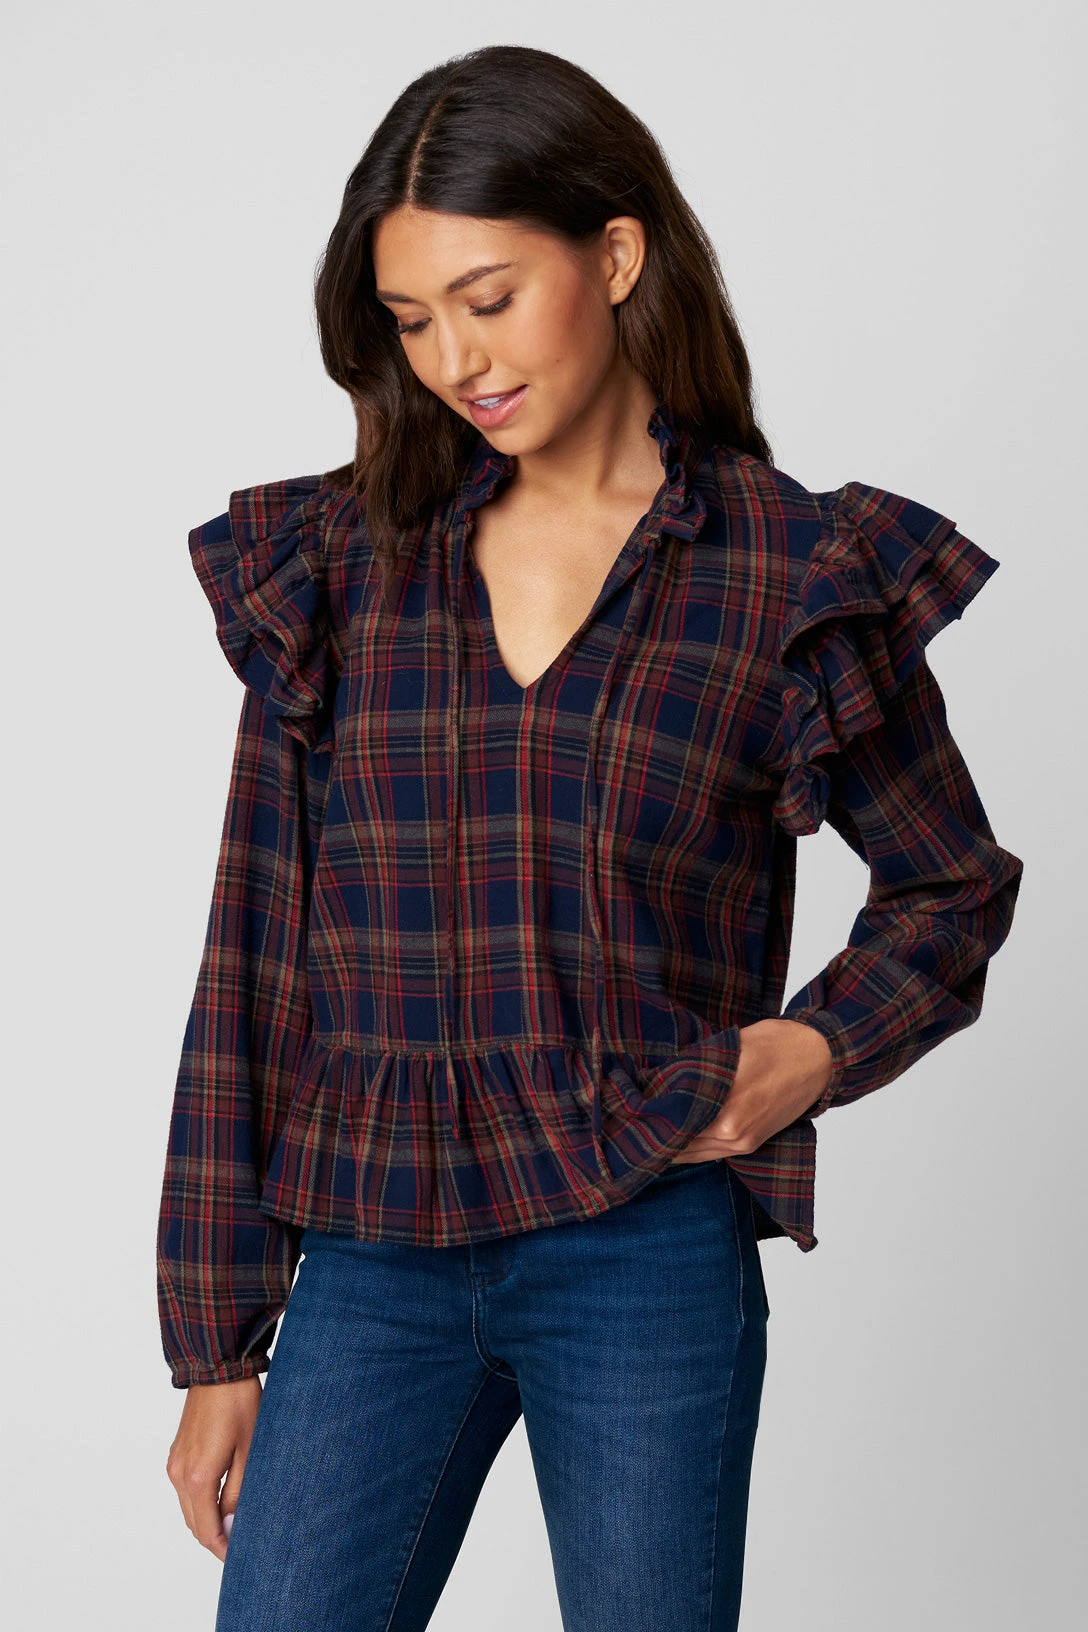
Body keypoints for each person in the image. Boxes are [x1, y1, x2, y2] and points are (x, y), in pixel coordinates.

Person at [157, 42, 1024, 1632]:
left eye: (486, 299)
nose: (454, 360)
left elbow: (950, 888)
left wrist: (812, 1050)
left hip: (642, 1246)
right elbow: (255, 951)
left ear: (615, 256)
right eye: (411, 320)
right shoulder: (343, 564)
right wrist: (218, 1339)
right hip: (371, 1248)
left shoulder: (790, 573)